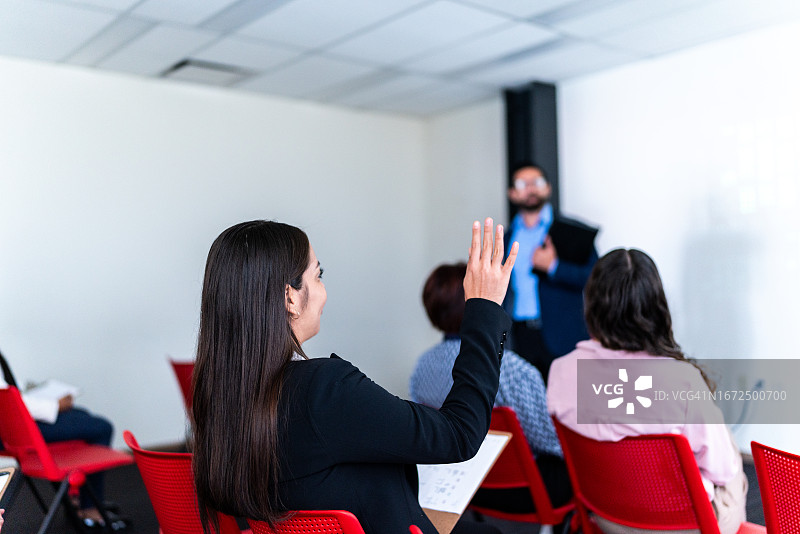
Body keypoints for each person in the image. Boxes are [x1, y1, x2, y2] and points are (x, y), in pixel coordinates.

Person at [191, 218, 518, 534]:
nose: (324, 291)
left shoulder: (220, 397)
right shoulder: (323, 391)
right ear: (290, 297)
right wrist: (483, 309)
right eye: (318, 276)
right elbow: (459, 435)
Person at [547, 248, 747, 534]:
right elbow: (722, 470)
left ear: (591, 305)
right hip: (683, 527)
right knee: (732, 464)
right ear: (656, 308)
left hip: (608, 519)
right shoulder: (682, 381)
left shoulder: (561, 371)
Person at [410, 262, 571, 512]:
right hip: (523, 490)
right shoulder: (513, 369)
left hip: (466, 485)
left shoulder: (422, 367)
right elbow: (549, 442)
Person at [0, 349, 127, 530]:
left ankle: (80, 498)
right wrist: (54, 404)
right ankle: (89, 507)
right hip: (13, 430)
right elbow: (9, 397)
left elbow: (8, 389)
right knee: (102, 427)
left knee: (82, 415)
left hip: (9, 429)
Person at [503, 161, 598, 382]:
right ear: (512, 193)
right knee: (525, 400)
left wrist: (555, 267)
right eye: (522, 183)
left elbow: (597, 277)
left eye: (536, 182)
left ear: (547, 188)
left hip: (563, 335)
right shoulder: (505, 237)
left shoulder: (571, 231)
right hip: (520, 336)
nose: (530, 188)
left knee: (570, 398)